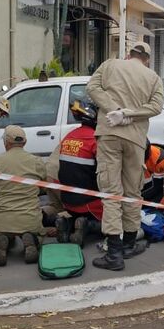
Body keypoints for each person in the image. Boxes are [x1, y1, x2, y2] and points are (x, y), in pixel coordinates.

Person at [86, 41, 164, 271]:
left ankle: (114, 253)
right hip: (135, 139)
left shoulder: (110, 65)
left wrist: (115, 110)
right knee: (132, 191)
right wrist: (128, 114)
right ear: (147, 59)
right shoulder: (153, 78)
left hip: (109, 133)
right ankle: (129, 243)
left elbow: (92, 88)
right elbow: (156, 107)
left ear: (129, 54)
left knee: (112, 193)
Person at [0, 126, 47, 267]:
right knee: (37, 233)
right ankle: (31, 237)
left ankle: (2, 238)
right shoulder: (37, 161)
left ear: (6, 143)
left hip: (3, 218)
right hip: (30, 217)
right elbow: (44, 187)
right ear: (24, 142)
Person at [50, 100, 104, 247]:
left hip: (67, 199)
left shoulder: (70, 136)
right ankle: (87, 227)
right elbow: (105, 172)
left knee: (79, 215)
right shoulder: (95, 139)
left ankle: (67, 223)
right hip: (90, 202)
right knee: (111, 224)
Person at [142, 141, 164, 205]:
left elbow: (159, 186)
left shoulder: (161, 160)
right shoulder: (132, 156)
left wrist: (141, 198)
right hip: (152, 175)